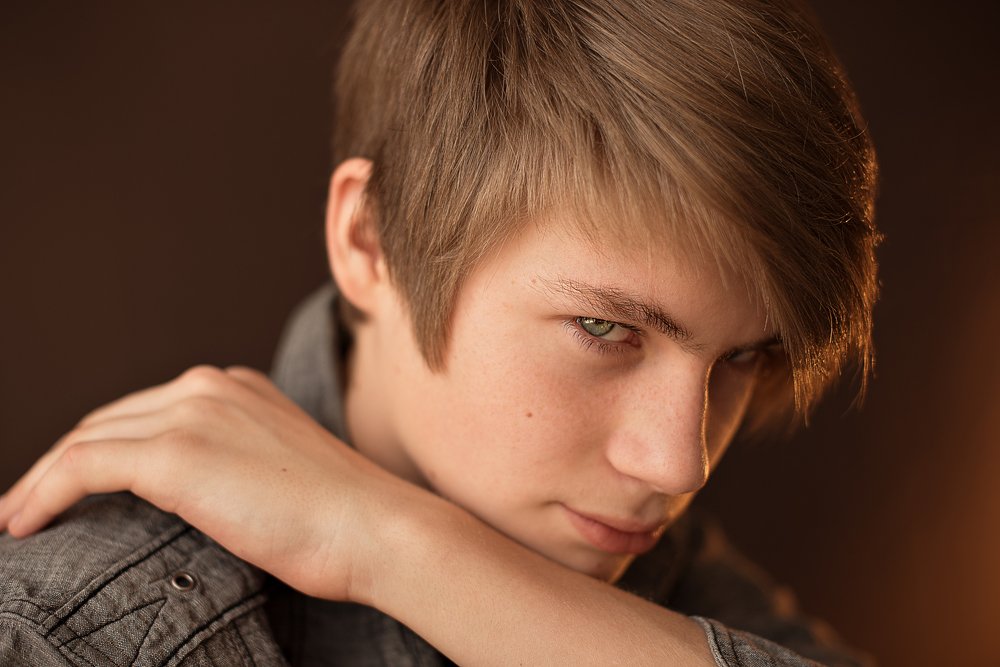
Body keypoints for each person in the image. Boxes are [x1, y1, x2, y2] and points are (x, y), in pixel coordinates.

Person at [0, 0, 880, 664]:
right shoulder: (87, 633)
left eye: (744, 355)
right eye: (603, 327)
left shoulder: (661, 567)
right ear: (369, 240)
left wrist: (385, 542)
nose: (679, 465)